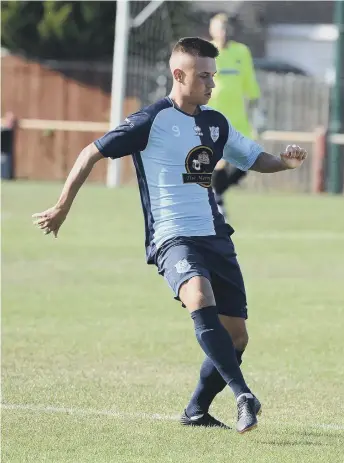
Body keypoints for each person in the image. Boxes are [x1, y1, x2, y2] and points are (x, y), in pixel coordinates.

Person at [32, 37, 307, 434]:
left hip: (214, 235)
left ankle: (196, 410)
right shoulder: (150, 120)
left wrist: (282, 162)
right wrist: (62, 206)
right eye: (204, 76)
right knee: (198, 294)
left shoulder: (216, 123)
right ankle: (243, 394)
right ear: (178, 75)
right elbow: (90, 152)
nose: (212, 84)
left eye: (213, 76)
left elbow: (251, 157)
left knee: (237, 336)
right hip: (171, 236)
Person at [208, 13, 262, 218]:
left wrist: (257, 109)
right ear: (211, 30)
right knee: (219, 161)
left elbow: (249, 81)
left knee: (248, 161)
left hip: (238, 118)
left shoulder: (242, 52)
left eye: (226, 27)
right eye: (218, 28)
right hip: (214, 117)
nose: (223, 32)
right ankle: (217, 201)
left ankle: (215, 195)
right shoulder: (206, 52)